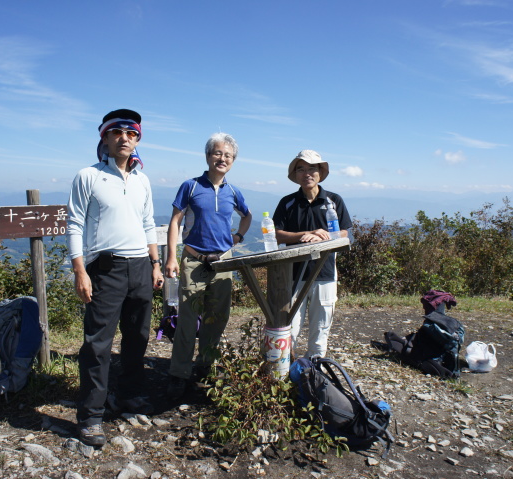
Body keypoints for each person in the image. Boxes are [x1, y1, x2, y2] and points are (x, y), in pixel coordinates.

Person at [66, 108, 163, 447]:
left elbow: (149, 222)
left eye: (131, 134)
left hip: (140, 266)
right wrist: (80, 270)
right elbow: (75, 224)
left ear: (137, 140)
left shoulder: (142, 179)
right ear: (105, 138)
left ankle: (129, 398)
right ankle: (91, 417)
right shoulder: (88, 176)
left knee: (137, 338)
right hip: (104, 268)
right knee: (98, 344)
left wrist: (155, 263)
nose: (125, 138)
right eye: (117, 132)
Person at [164, 133, 252, 399]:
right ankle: (179, 373)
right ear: (207, 156)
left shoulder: (233, 191)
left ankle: (205, 367)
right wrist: (171, 257)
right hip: (193, 260)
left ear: (233, 161)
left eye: (228, 155)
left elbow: (246, 216)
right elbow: (175, 222)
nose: (222, 158)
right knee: (187, 321)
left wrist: (237, 238)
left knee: (218, 318)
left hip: (223, 262)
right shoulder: (190, 187)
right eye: (217, 153)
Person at [273, 150, 351, 359]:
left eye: (312, 168)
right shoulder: (287, 203)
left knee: (320, 329)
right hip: (293, 275)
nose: (307, 173)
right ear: (296, 174)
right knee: (289, 328)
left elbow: (343, 232)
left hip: (324, 274)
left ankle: (314, 373)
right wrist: (306, 234)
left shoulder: (334, 201)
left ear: (320, 172)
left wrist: (323, 238)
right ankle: (284, 373)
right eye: (301, 169)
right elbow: (277, 235)